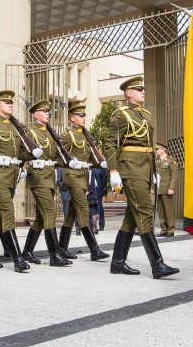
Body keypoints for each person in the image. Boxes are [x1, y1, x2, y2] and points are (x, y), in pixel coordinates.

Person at [102, 77, 180, 279]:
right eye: (138, 89)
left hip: (145, 168)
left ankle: (118, 262)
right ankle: (157, 264)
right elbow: (110, 143)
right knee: (145, 211)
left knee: (131, 217)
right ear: (128, 93)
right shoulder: (121, 115)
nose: (143, 91)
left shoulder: (146, 114)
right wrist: (113, 170)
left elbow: (149, 145)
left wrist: (153, 169)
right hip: (130, 168)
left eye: (143, 89)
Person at [0, 90, 40, 273]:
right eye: (6, 102)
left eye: (11, 102)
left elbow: (18, 154)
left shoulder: (15, 128)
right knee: (8, 213)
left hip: (10, 179)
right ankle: (18, 258)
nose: (10, 104)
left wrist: (31, 154)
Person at [21, 99, 71, 267]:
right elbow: (23, 153)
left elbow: (56, 157)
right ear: (36, 115)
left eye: (49, 111)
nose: (49, 114)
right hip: (38, 176)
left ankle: (27, 252)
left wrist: (70, 162)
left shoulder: (50, 133)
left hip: (49, 176)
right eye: (45, 111)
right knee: (50, 213)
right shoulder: (30, 132)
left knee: (41, 219)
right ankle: (54, 255)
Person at [58, 100, 109, 262]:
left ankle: (62, 248)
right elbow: (59, 155)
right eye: (80, 115)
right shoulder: (68, 135)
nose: (83, 118)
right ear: (72, 118)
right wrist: (69, 165)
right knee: (83, 210)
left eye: (84, 115)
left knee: (71, 215)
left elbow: (89, 157)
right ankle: (94, 249)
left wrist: (100, 162)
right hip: (72, 176)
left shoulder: (85, 135)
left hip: (83, 176)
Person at [154, 144, 176, 238]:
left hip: (166, 188)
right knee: (161, 211)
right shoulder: (157, 161)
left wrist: (171, 188)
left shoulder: (170, 160)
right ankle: (163, 230)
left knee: (168, 210)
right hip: (158, 189)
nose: (156, 151)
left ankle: (170, 230)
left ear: (163, 149)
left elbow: (174, 175)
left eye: (157, 149)